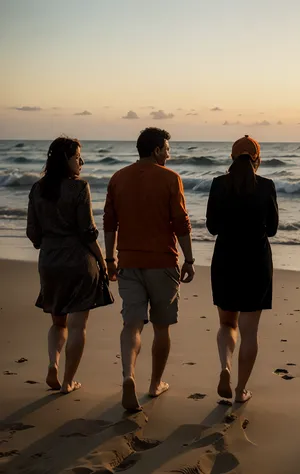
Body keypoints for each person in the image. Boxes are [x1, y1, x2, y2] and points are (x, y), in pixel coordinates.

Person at [103, 127, 195, 412]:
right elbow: (181, 223)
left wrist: (110, 259)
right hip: (162, 263)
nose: (169, 154)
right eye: (167, 149)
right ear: (156, 150)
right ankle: (155, 384)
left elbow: (109, 223)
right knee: (161, 326)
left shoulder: (118, 178)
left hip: (129, 261)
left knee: (132, 324)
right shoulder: (171, 179)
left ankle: (128, 375)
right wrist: (189, 259)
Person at [27, 136, 110, 394]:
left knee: (58, 322)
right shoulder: (79, 187)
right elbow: (87, 231)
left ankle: (53, 363)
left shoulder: (37, 188)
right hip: (78, 260)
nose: (81, 163)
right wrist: (103, 259)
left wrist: (48, 244)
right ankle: (68, 382)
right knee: (78, 325)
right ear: (66, 159)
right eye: (77, 157)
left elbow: (33, 232)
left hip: (50, 260)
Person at [206, 135, 278, 403]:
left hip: (225, 257)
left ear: (232, 158)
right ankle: (240, 390)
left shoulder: (219, 184)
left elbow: (212, 227)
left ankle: (225, 366)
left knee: (227, 323)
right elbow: (272, 228)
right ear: (257, 159)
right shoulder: (266, 186)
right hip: (256, 260)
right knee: (250, 331)